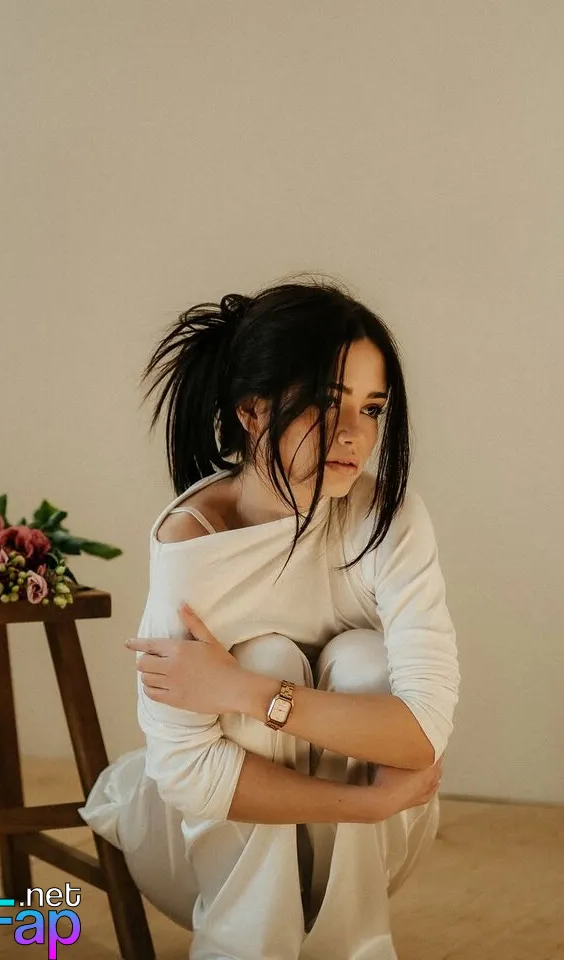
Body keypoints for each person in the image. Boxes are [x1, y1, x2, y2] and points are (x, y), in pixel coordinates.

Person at [79, 278, 460, 960]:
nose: (356, 434)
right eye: (328, 402)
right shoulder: (193, 543)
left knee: (362, 660)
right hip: (207, 847)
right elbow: (190, 776)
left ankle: (351, 947)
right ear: (253, 410)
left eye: (372, 408)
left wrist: (243, 692)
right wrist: (364, 802)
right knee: (268, 655)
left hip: (375, 842)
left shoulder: (386, 516)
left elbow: (423, 734)